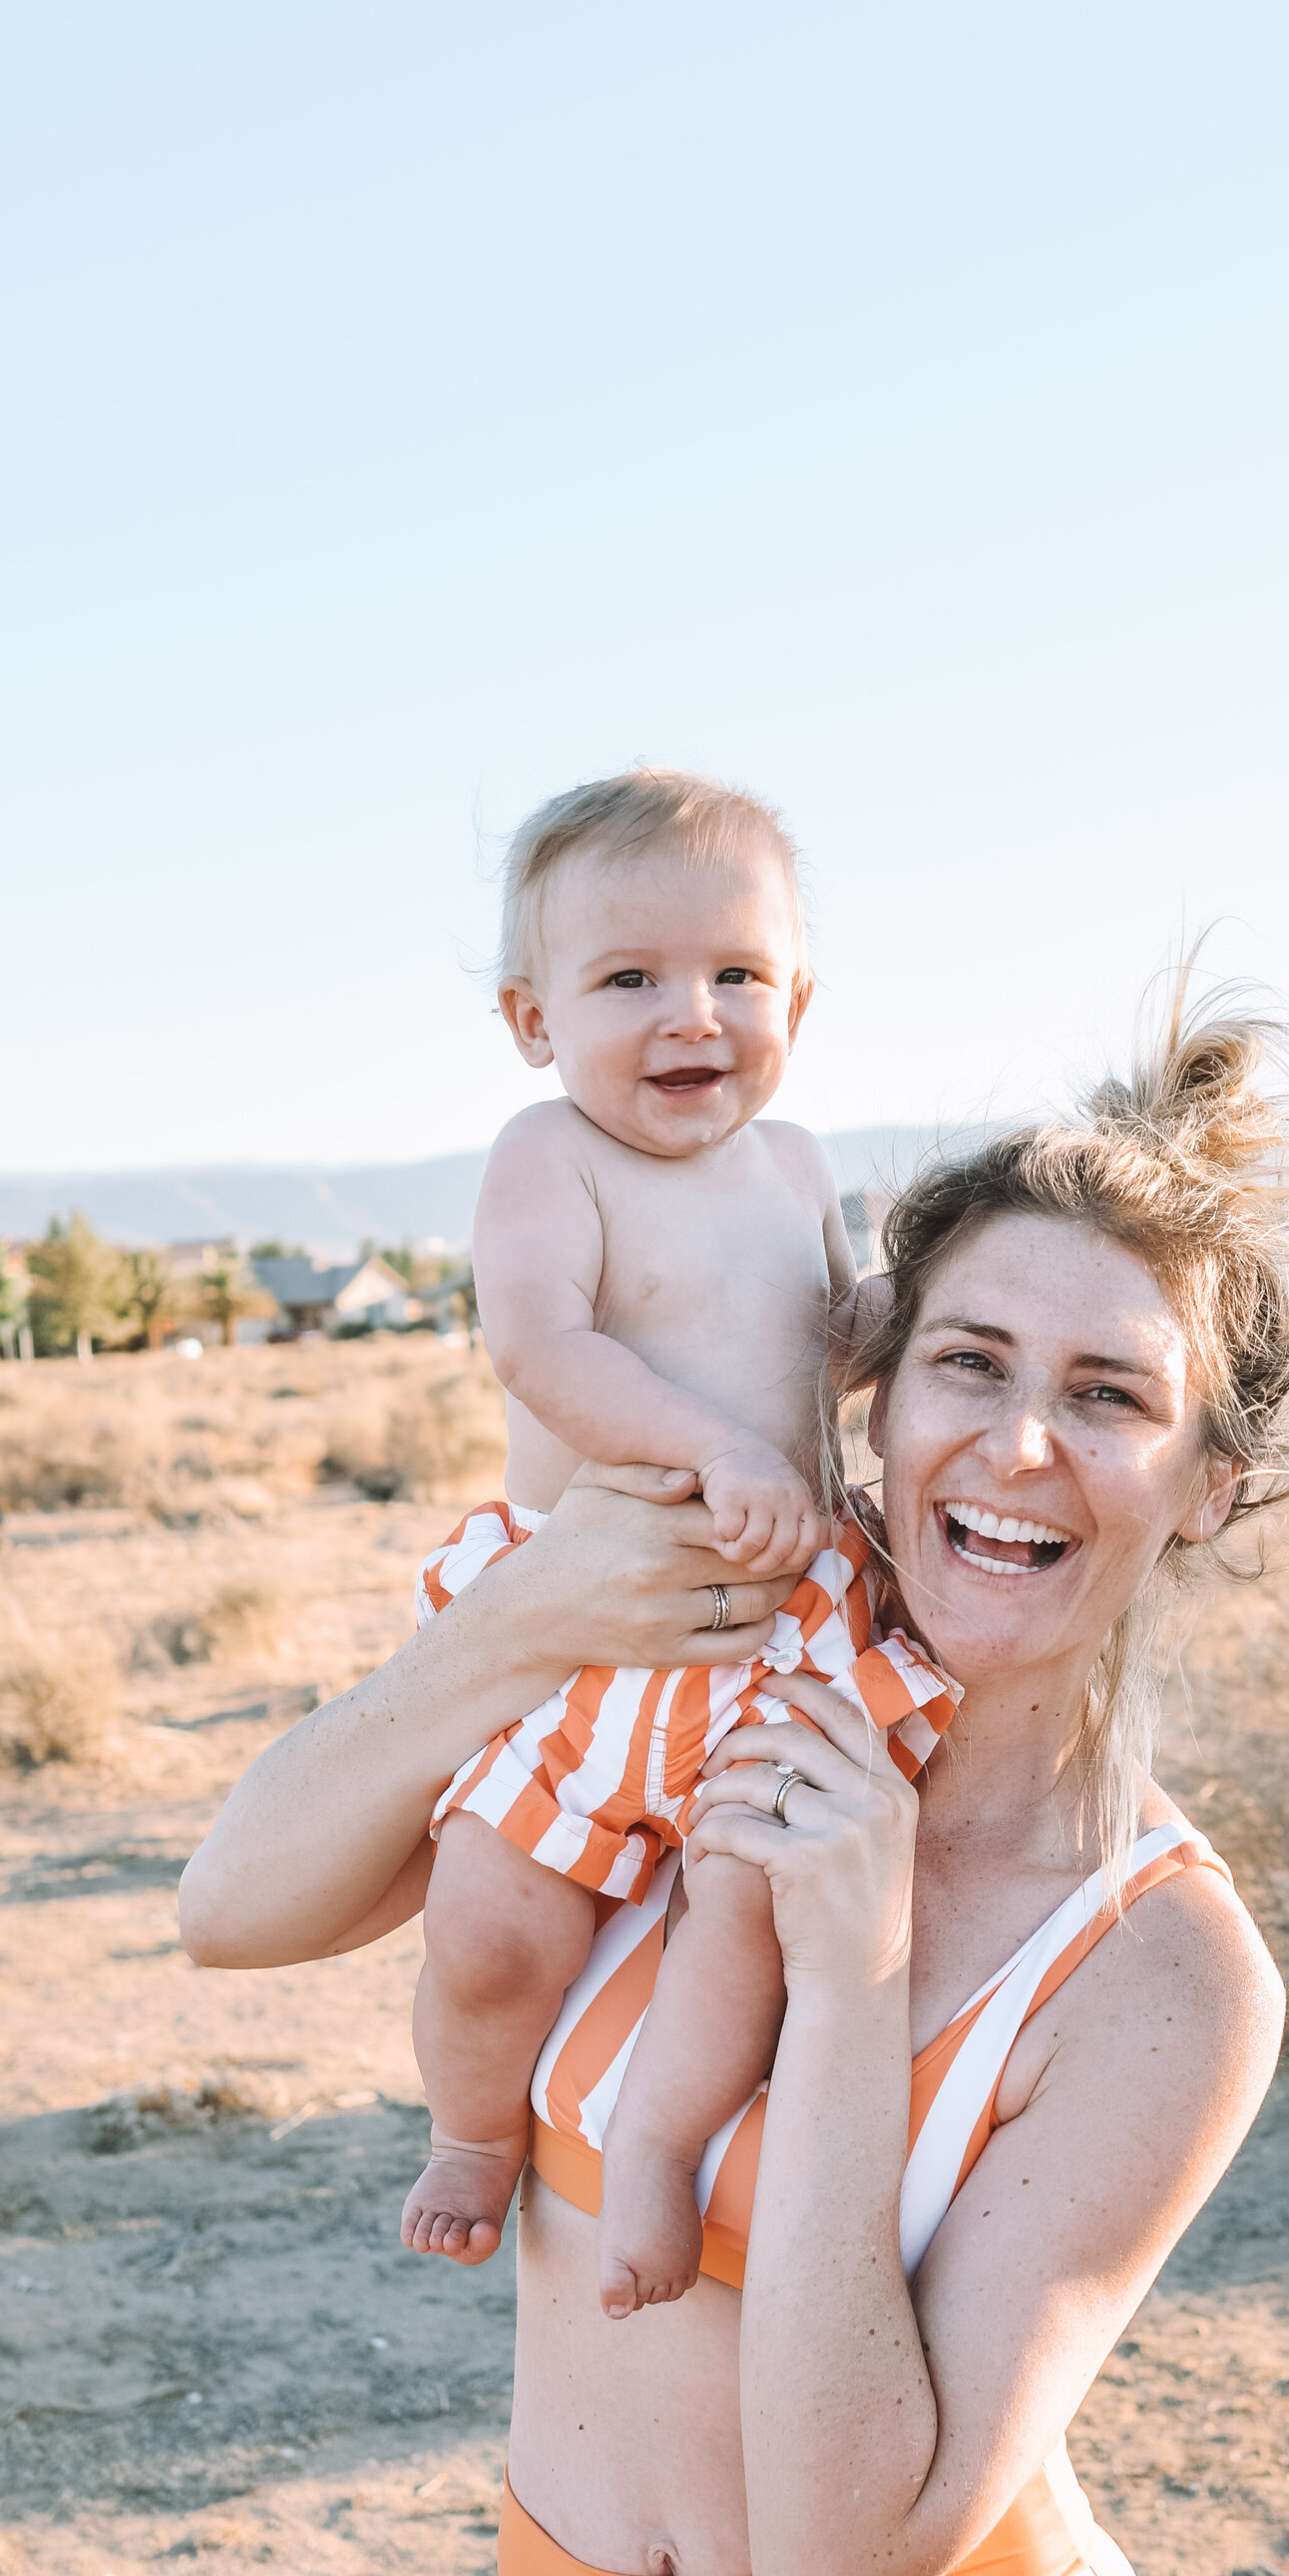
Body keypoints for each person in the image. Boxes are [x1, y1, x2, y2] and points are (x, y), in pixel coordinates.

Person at [177, 998, 1289, 2576]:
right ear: (870, 1396)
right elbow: (239, 1898)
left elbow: (827, 2564)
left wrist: (845, 1962)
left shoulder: (1162, 1974)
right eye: (964, 1364)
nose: (1016, 1443)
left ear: (1200, 1480)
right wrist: (506, 1635)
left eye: (1107, 1397)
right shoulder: (701, 1704)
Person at [402, 768, 953, 2317]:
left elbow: (811, 1346)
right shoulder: (549, 1157)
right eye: (628, 979)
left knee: (744, 1918)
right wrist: (709, 1447)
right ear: (533, 1019)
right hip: (594, 1621)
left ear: (800, 998)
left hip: (776, 1627)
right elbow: (542, 1344)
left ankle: (655, 2143)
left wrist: (878, 1329)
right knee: (492, 1919)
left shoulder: (790, 1166)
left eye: (735, 975)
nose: (689, 1015)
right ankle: (471, 2129)